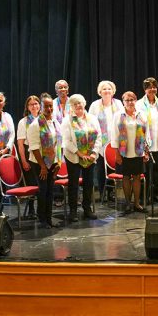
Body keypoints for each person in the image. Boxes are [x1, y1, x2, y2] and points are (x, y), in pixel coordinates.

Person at [61, 94, 101, 222]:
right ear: (71, 107)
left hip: (90, 157)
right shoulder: (67, 120)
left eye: (80, 102)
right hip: (73, 156)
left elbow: (99, 136)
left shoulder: (92, 118)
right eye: (75, 103)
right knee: (73, 184)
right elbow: (66, 141)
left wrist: (94, 153)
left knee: (89, 183)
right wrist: (79, 153)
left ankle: (87, 208)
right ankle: (73, 211)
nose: (78, 105)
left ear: (84, 103)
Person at [27, 94, 63, 228]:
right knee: (43, 190)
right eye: (46, 106)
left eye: (50, 106)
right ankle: (42, 219)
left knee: (50, 191)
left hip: (52, 162)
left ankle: (49, 218)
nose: (49, 109)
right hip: (39, 163)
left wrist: (59, 162)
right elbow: (34, 147)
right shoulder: (35, 125)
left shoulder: (54, 122)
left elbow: (59, 143)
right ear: (41, 107)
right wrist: (42, 166)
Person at [111, 91, 150, 214]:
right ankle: (128, 203)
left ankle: (137, 203)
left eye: (132, 99)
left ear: (136, 100)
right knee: (126, 177)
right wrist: (117, 153)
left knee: (137, 177)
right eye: (127, 100)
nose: (130, 102)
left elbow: (147, 133)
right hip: (124, 152)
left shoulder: (141, 115)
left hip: (138, 152)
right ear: (123, 102)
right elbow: (114, 135)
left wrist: (146, 152)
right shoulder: (118, 115)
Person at [89, 80, 124, 202]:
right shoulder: (94, 105)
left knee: (115, 167)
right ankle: (104, 192)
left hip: (115, 142)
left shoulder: (119, 104)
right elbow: (90, 123)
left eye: (109, 88)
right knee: (101, 168)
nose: (107, 91)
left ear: (113, 91)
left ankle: (114, 192)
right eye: (104, 89)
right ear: (100, 92)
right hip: (101, 143)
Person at [137, 77, 158, 204]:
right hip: (145, 145)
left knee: (157, 171)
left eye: (154, 87)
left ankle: (156, 194)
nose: (152, 89)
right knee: (145, 171)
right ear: (145, 89)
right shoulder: (139, 104)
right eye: (149, 87)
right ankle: (145, 196)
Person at [16, 95, 40, 216]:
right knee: (32, 183)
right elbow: (20, 143)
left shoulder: (44, 119)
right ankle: (31, 209)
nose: (34, 106)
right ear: (27, 107)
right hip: (28, 152)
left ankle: (42, 209)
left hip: (41, 154)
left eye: (36, 103)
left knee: (41, 183)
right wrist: (24, 161)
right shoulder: (24, 122)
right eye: (31, 104)